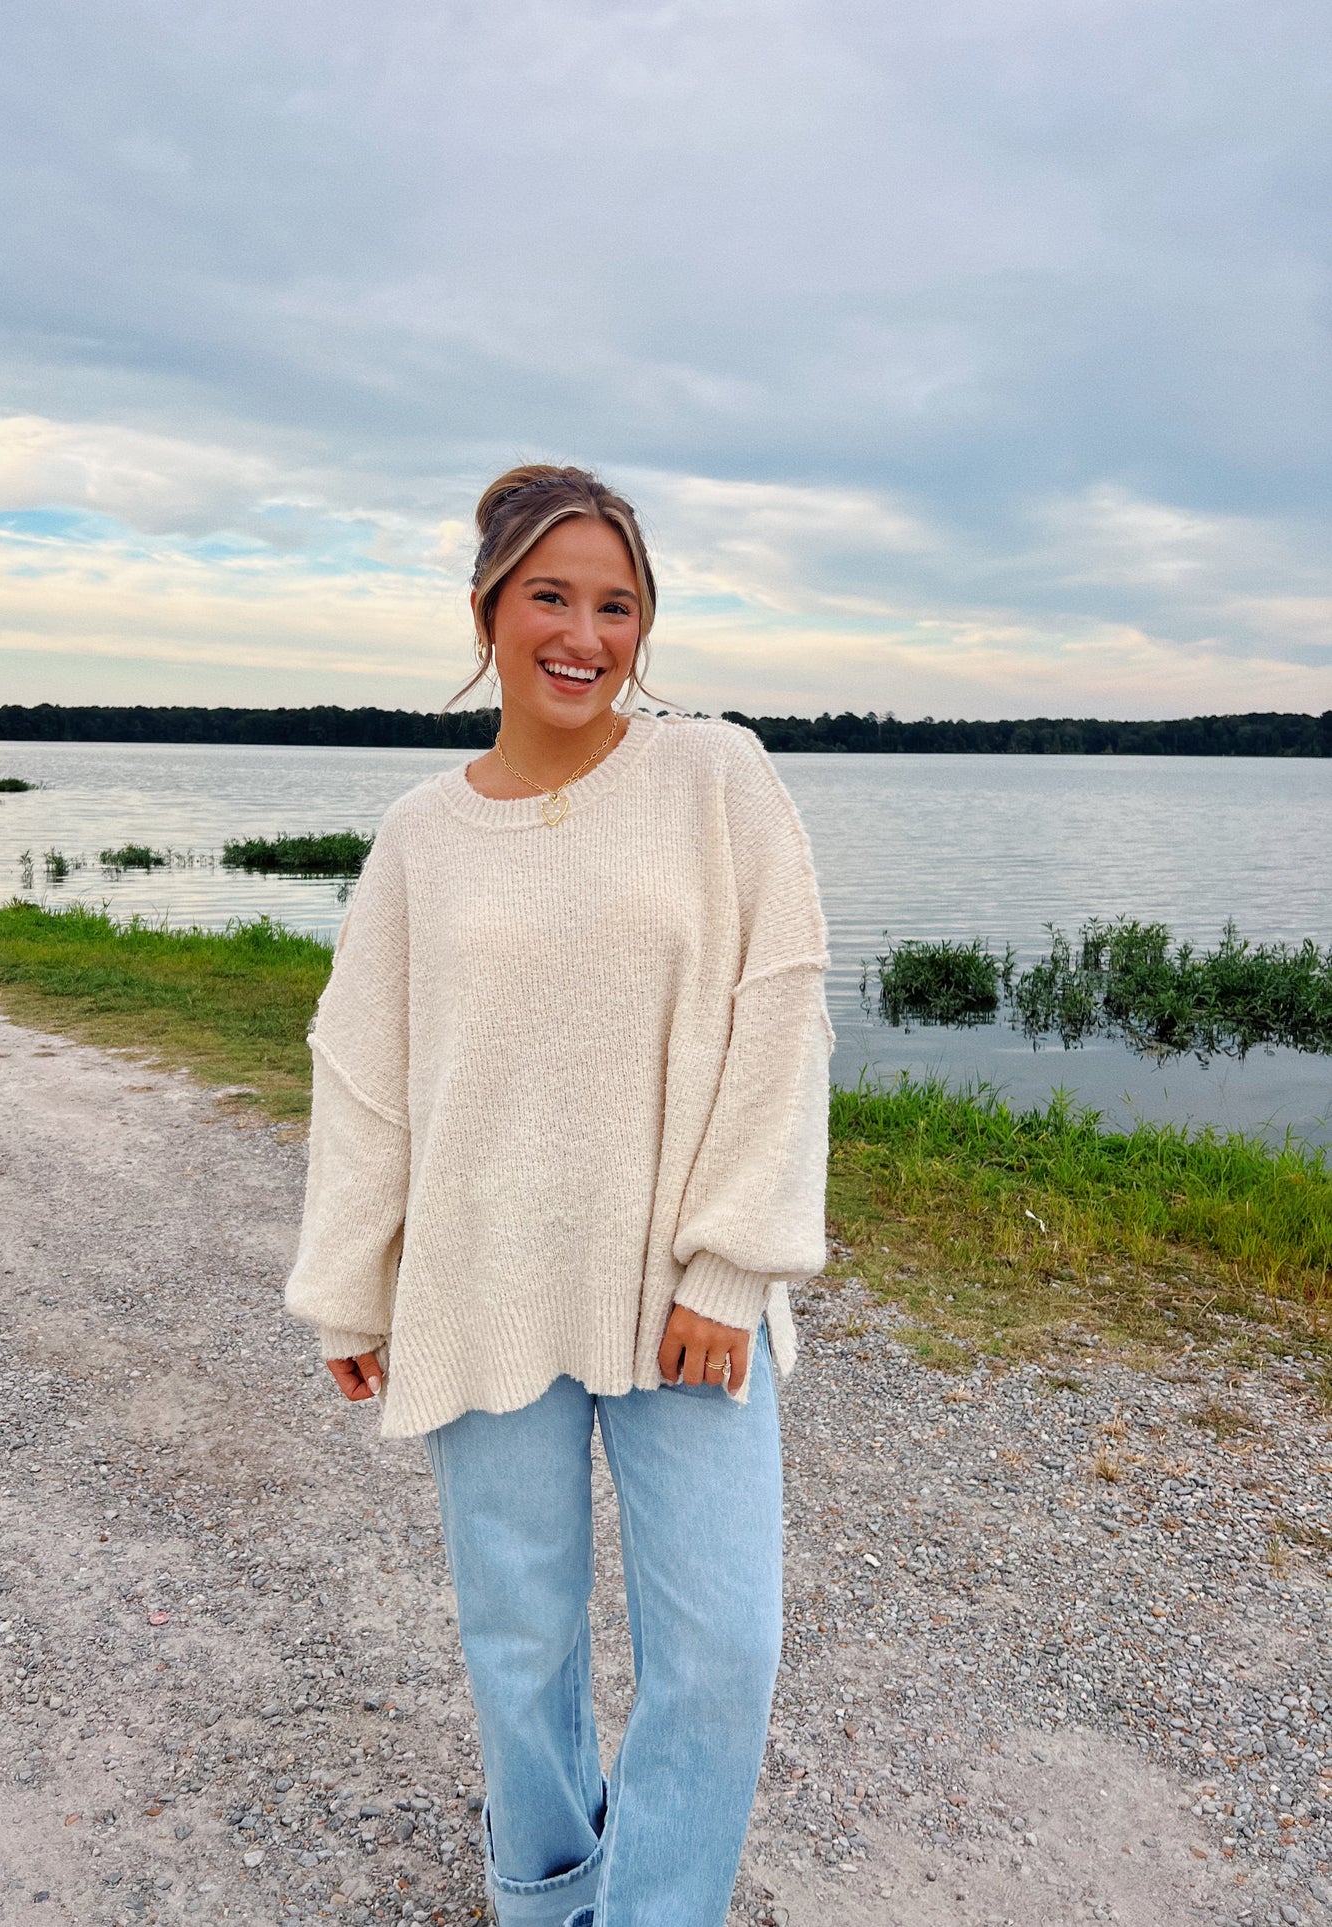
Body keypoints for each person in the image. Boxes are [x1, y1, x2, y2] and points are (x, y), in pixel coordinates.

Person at [284, 463, 835, 1926]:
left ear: (644, 627)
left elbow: (780, 1012)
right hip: (478, 1281)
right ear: (487, 609)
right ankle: (543, 1895)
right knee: (518, 1643)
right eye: (550, 597)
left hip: (680, 1301)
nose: (583, 635)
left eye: (617, 604)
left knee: (721, 1648)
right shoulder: (419, 832)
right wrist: (349, 1276)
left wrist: (733, 1267)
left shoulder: (715, 775)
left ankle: (656, 1909)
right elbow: (366, 1066)